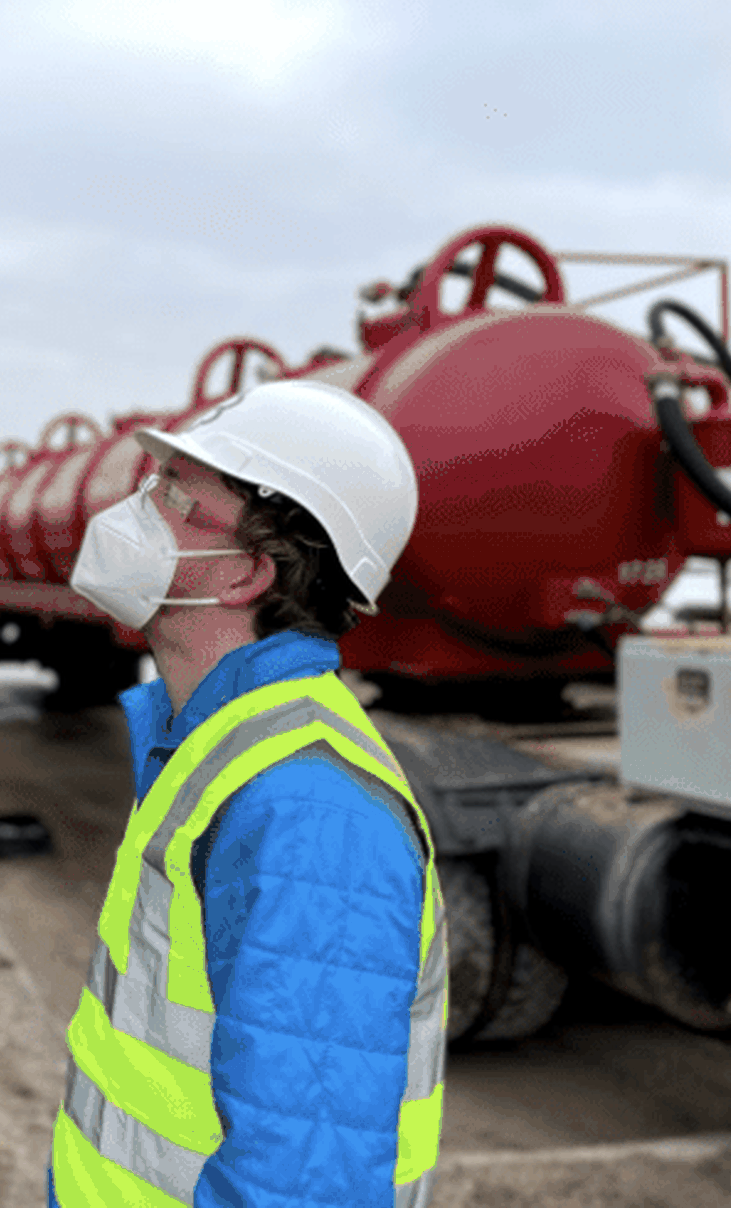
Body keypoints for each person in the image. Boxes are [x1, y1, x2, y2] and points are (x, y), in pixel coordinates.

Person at [48, 380, 446, 1208]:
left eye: (174, 496)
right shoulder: (215, 743)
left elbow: (306, 1185)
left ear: (246, 575)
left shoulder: (308, 811)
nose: (136, 510)